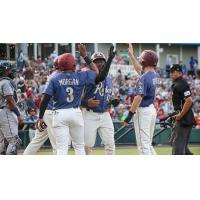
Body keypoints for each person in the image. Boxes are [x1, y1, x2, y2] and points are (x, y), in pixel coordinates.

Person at [35, 44, 109, 155]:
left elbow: (45, 99)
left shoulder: (54, 78)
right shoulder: (80, 76)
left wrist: (40, 117)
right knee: (79, 147)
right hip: (75, 113)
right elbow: (97, 72)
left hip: (59, 113)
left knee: (62, 148)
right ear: (74, 65)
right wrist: (84, 55)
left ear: (59, 66)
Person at [81, 45, 117, 155]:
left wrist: (113, 100)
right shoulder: (89, 75)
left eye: (102, 61)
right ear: (92, 64)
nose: (100, 63)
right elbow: (77, 99)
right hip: (90, 114)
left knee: (110, 144)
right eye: (97, 61)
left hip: (105, 114)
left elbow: (109, 95)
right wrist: (86, 103)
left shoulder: (109, 78)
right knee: (87, 145)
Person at [124, 44, 159, 155]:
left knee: (143, 146)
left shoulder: (144, 78)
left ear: (144, 62)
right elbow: (140, 69)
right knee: (147, 143)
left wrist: (128, 116)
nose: (140, 63)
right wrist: (131, 56)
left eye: (141, 61)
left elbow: (138, 98)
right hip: (151, 110)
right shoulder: (155, 75)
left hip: (143, 111)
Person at [170, 64, 195, 155]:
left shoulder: (181, 84)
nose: (171, 73)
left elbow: (189, 101)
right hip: (182, 116)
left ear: (179, 73)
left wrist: (180, 115)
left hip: (184, 118)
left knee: (178, 147)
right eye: (171, 72)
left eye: (173, 72)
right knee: (177, 143)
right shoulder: (177, 83)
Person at [0, 61, 23, 155]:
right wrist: (18, 114)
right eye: (10, 69)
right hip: (6, 112)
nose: (12, 71)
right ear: (5, 71)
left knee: (3, 142)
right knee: (14, 141)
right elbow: (10, 100)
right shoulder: (5, 82)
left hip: (2, 112)